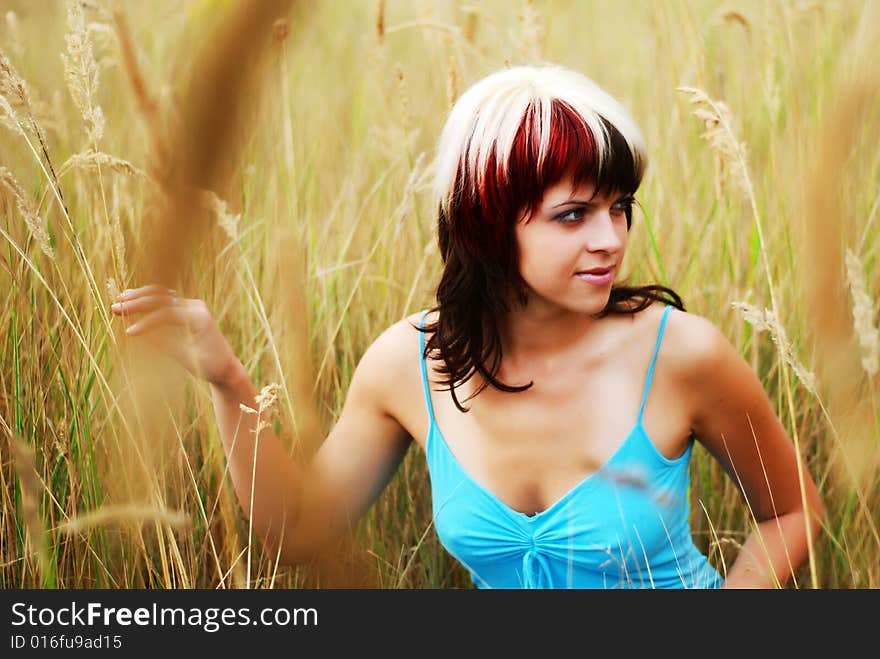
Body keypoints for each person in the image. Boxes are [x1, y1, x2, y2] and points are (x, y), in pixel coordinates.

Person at [111, 64, 825, 589]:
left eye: (620, 206)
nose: (610, 238)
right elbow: (296, 533)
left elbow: (793, 511)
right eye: (573, 215)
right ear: (486, 222)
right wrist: (226, 379)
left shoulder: (680, 353)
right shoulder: (408, 364)